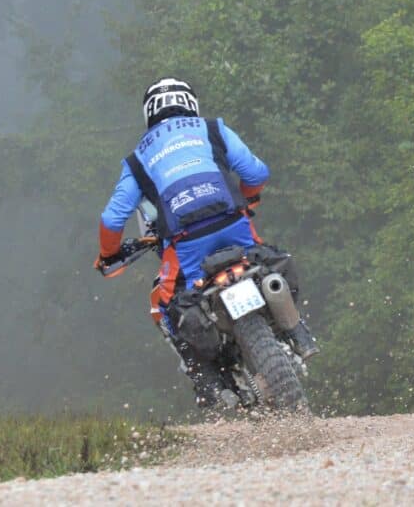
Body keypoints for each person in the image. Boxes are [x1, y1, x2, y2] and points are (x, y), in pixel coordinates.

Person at [94, 77, 317, 407]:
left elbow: (112, 220)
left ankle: (210, 385)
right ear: (190, 103)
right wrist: (250, 199)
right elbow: (257, 173)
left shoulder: (137, 160)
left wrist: (109, 254)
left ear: (149, 114)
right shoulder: (213, 130)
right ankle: (298, 331)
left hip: (187, 247)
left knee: (164, 309)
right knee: (266, 261)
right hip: (234, 226)